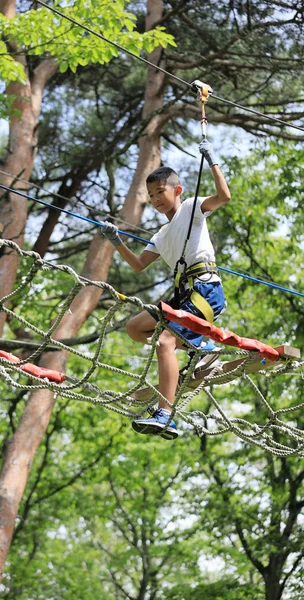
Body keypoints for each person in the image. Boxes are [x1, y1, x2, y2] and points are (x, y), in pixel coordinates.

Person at [101, 139, 230, 440]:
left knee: (164, 343)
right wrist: (117, 240)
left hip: (205, 288)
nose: (157, 198)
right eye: (151, 195)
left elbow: (224, 196)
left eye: (161, 191)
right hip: (183, 295)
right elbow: (138, 264)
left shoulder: (191, 208)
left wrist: (212, 160)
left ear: (177, 190)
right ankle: (201, 347)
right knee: (135, 328)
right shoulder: (160, 234)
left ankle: (165, 414)